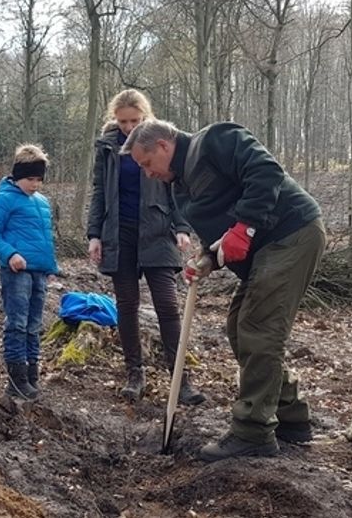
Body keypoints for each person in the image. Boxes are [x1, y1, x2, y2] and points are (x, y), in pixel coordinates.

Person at [123, 119, 325, 462]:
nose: (147, 174)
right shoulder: (180, 188)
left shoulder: (216, 140)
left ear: (162, 146)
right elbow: (223, 234)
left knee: (258, 327)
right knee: (238, 328)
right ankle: (291, 416)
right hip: (264, 250)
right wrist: (206, 259)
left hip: (292, 232)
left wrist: (244, 228)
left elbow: (266, 173)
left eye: (146, 164)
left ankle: (253, 432)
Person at [86, 89, 204, 405]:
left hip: (158, 228)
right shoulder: (107, 147)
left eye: (134, 120)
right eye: (123, 121)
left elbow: (176, 185)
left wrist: (181, 227)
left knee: (167, 304)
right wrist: (94, 234)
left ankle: (180, 380)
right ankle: (134, 373)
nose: (128, 126)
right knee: (126, 305)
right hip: (118, 232)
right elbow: (99, 192)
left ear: (145, 116)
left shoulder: (161, 141)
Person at [0, 145, 59, 399]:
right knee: (17, 323)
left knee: (34, 324)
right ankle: (16, 379)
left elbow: (45, 238)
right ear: (17, 176)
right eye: (30, 179)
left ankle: (32, 374)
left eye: (39, 179)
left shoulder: (43, 202)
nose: (35, 184)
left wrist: (51, 267)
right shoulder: (5, 198)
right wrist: (10, 254)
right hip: (16, 271)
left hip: (39, 272)